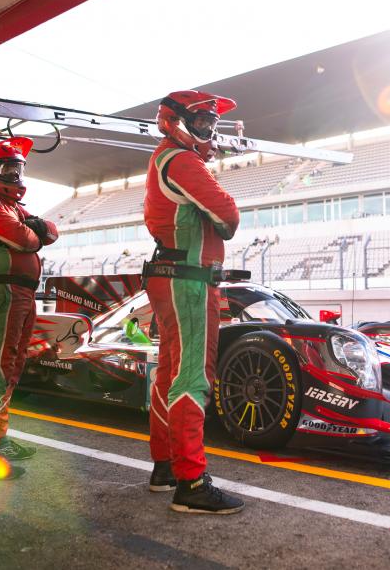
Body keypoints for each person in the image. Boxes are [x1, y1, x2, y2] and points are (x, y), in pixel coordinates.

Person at [143, 91, 243, 514]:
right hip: (189, 281)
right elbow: (228, 216)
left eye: (211, 122)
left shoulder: (168, 158)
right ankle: (191, 482)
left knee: (169, 373)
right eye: (202, 121)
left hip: (174, 276)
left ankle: (166, 467)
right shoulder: (182, 161)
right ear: (176, 120)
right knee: (191, 377)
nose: (210, 130)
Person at [0, 137, 58, 479]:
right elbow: (27, 239)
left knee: (13, 368)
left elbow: (52, 231)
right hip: (2, 291)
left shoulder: (11, 206)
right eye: (8, 169)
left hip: (21, 293)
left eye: (18, 168)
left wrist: (38, 228)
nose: (16, 175)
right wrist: (36, 230)